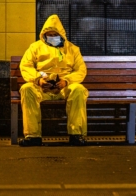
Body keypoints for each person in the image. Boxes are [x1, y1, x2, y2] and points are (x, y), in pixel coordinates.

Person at [19, 14, 88, 146]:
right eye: (49, 34)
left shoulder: (72, 49)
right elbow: (25, 66)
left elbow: (80, 70)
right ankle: (33, 136)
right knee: (27, 89)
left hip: (65, 86)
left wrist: (66, 81)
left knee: (78, 90)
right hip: (42, 86)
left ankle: (76, 134)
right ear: (44, 35)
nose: (52, 37)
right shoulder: (35, 48)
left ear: (61, 34)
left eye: (54, 34)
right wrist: (38, 80)